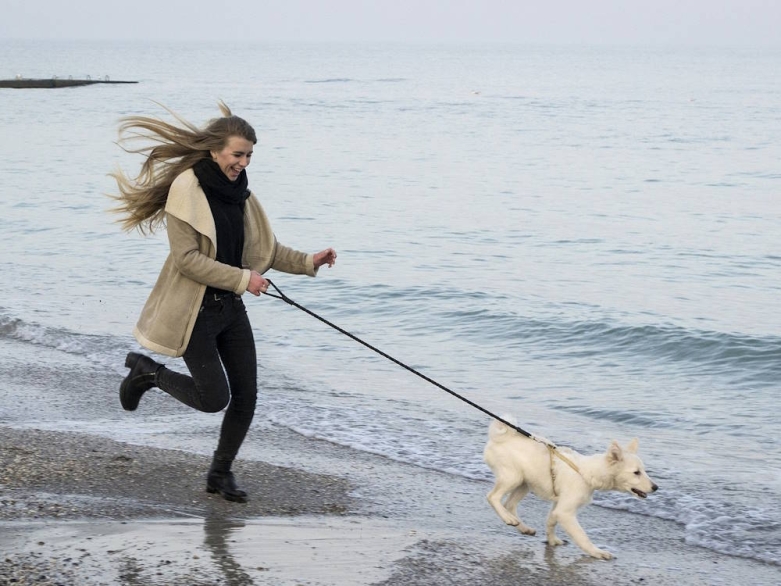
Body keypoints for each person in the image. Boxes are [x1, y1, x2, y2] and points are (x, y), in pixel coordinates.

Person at [110, 102, 337, 503]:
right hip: (194, 313)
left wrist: (308, 261)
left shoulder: (241, 195)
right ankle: (148, 373)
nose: (243, 162)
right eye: (238, 154)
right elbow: (187, 260)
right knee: (214, 399)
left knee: (247, 395)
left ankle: (220, 473)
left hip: (230, 310)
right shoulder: (186, 192)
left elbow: (263, 250)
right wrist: (241, 279)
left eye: (249, 155)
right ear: (215, 150)